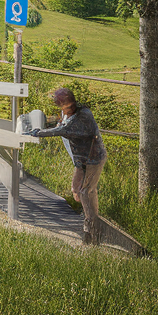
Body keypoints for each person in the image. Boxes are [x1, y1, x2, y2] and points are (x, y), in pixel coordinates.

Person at [29, 87, 108, 244]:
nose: (68, 109)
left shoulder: (82, 117)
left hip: (93, 159)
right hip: (80, 161)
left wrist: (39, 133)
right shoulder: (67, 113)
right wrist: (49, 121)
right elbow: (61, 122)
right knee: (76, 191)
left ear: (73, 103)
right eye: (64, 107)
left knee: (86, 192)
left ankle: (92, 230)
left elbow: (62, 130)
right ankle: (89, 213)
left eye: (69, 106)